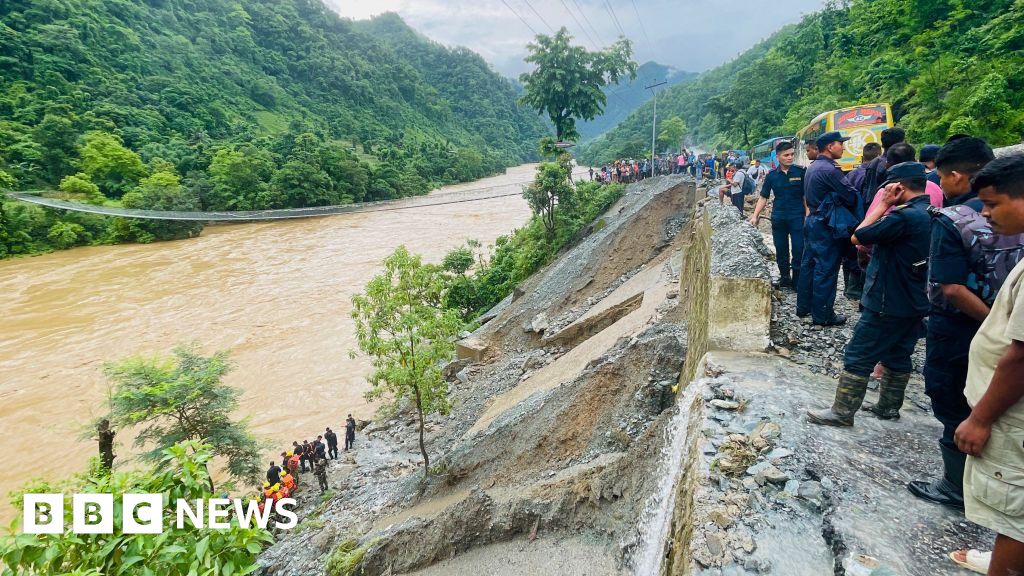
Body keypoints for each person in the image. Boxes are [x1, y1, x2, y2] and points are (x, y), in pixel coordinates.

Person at [910, 137, 1004, 511]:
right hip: (1010, 327)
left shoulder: (953, 220)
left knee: (951, 397)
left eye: (942, 178)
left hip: (961, 328)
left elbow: (951, 287)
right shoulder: (1013, 212)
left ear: (955, 176)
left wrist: (991, 323)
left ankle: (956, 485)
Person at [806, 162, 932, 426]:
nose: (884, 189)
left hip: (886, 298)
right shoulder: (931, 212)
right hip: (914, 298)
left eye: (888, 185)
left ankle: (842, 413)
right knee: (898, 353)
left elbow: (860, 236)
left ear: (899, 186)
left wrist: (883, 205)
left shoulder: (902, 217)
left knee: (858, 354)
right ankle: (888, 407)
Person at [954, 154, 1024, 576]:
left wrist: (980, 418)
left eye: (993, 203)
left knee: (1014, 513)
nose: (984, 213)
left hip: (1011, 416)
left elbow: (1020, 355)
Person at [796, 132, 861, 326]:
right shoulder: (831, 170)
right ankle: (823, 315)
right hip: (825, 224)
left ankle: (803, 306)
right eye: (840, 144)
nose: (843, 147)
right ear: (830, 147)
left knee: (809, 264)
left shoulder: (813, 166)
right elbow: (850, 196)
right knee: (826, 268)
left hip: (813, 220)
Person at [750, 140, 806, 288]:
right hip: (779, 217)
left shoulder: (800, 172)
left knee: (799, 248)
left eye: (792, 154)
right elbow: (763, 197)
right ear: (778, 157)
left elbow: (806, 196)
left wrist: (808, 214)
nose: (790, 157)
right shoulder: (772, 176)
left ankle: (797, 280)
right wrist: (755, 215)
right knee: (781, 249)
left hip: (797, 217)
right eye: (786, 155)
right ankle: (785, 278)